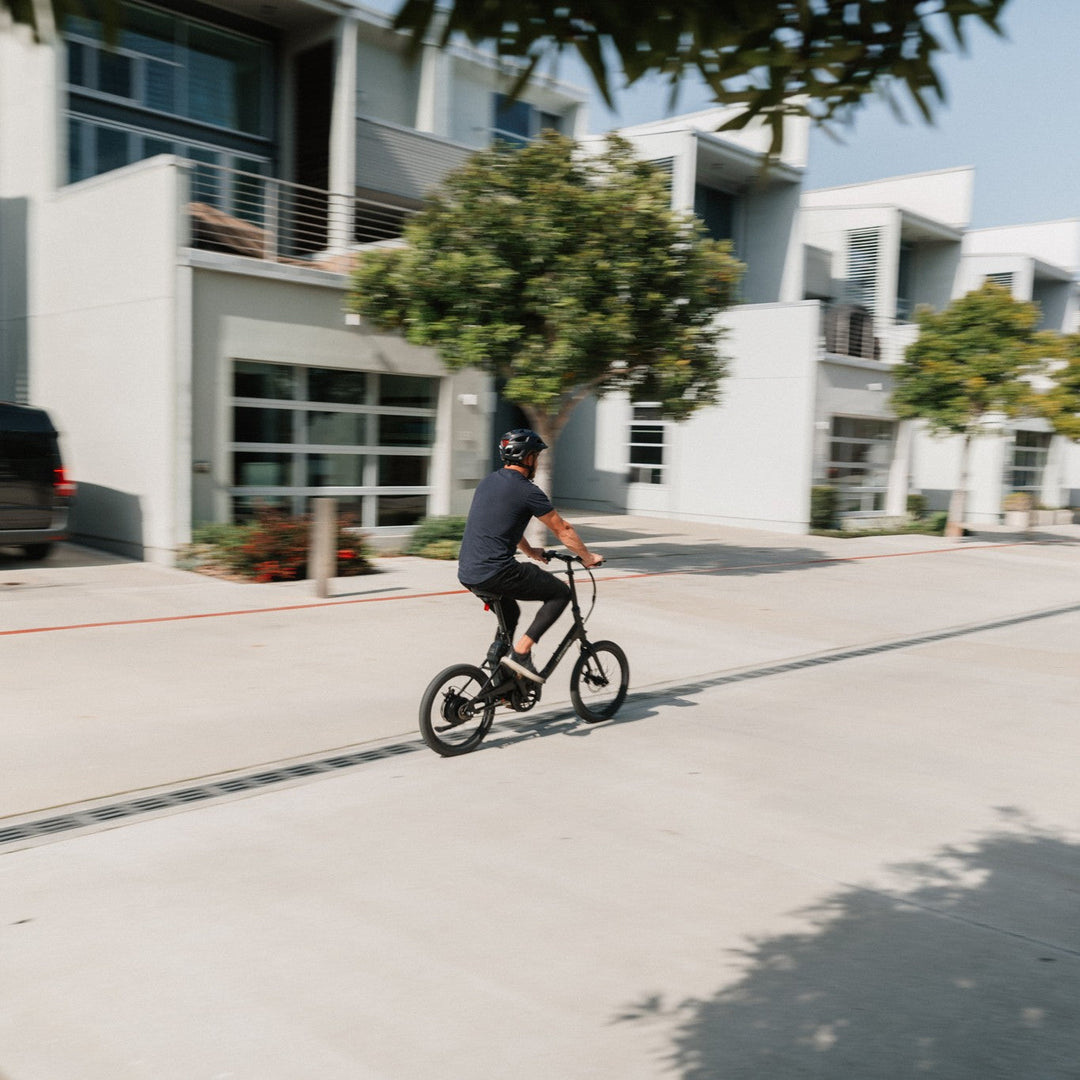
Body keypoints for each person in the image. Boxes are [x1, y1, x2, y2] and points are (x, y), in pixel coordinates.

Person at [457, 428, 604, 684]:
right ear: (527, 458)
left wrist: (529, 551)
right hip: (497, 571)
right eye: (536, 456)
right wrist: (587, 556)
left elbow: (502, 526)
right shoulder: (527, 490)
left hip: (468, 572)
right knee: (560, 593)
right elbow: (563, 529)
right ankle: (522, 651)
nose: (537, 462)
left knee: (510, 613)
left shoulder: (488, 482)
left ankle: (500, 672)